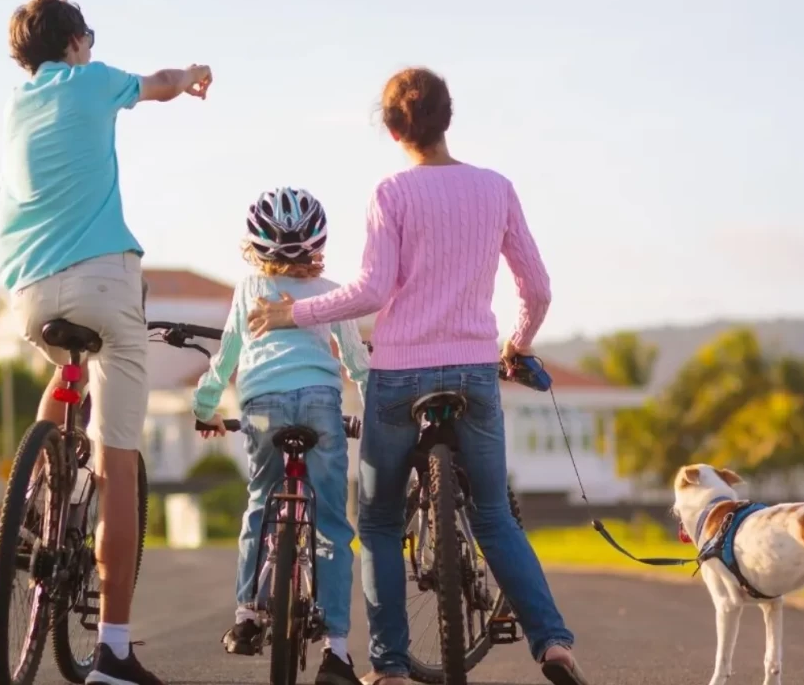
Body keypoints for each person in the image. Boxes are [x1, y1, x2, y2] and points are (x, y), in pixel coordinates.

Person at [246, 68, 591, 685]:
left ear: (393, 127)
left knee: (377, 521)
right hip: (475, 373)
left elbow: (373, 290)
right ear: (448, 117)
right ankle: (554, 643)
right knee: (492, 516)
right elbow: (536, 287)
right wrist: (518, 344)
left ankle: (391, 667)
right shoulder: (496, 188)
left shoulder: (392, 193)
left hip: (399, 376)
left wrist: (293, 312)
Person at [0, 0, 212, 685]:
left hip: (27, 295)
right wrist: (193, 76)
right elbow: (161, 84)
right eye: (85, 38)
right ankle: (113, 652)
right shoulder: (93, 81)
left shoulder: (16, 107)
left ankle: (38, 498)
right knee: (118, 462)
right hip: (104, 282)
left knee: (64, 365)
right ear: (73, 44)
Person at [193, 187, 371, 685]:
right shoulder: (333, 292)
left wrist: (204, 407)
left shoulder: (249, 289)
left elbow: (226, 357)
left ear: (254, 245)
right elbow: (358, 363)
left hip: (263, 408)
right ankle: (337, 650)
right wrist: (379, 408)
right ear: (318, 244)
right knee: (332, 524)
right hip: (319, 406)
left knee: (260, 499)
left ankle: (247, 615)